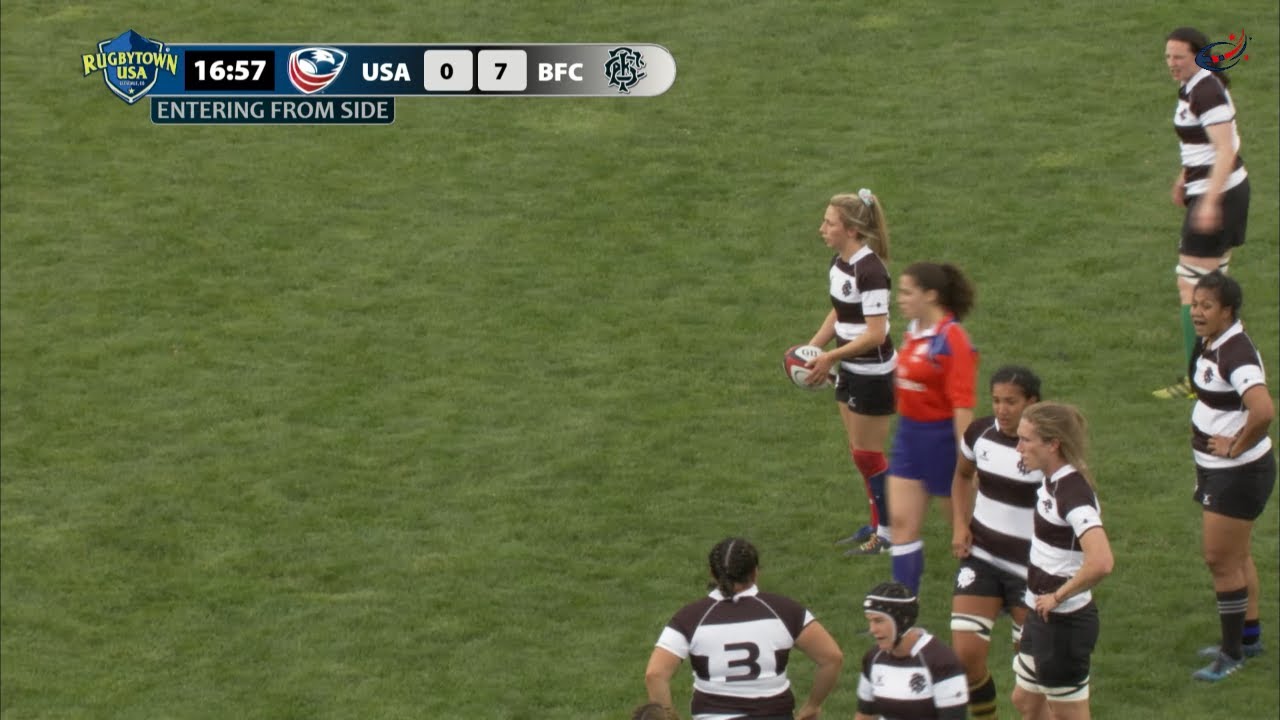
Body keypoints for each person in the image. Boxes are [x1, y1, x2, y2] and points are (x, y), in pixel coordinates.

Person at [1183, 272, 1275, 682]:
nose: (1198, 313)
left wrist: (1235, 445)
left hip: (1236, 474)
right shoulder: (1217, 341)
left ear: (1228, 311)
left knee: (1220, 560)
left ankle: (1231, 654)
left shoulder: (1234, 354)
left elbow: (1263, 410)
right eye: (1196, 304)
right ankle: (1249, 638)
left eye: (1207, 307)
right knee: (1237, 557)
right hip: (1220, 470)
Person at [1153, 27, 1251, 400]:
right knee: (1211, 284)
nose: (1171, 64)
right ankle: (1222, 366)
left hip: (1220, 195)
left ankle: (1199, 377)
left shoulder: (1207, 90)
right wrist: (1184, 178)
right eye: (1167, 57)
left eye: (1178, 56)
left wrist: (1209, 202)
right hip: (1216, 191)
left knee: (1194, 286)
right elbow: (1205, 146)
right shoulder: (1195, 85)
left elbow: (1225, 149)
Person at [644, 537, 844, 720]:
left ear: (712, 573)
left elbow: (655, 674)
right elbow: (832, 658)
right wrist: (812, 706)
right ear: (755, 572)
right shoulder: (784, 610)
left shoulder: (690, 617)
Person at [803, 189, 897, 556]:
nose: (822, 228)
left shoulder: (871, 271)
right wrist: (813, 348)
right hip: (850, 366)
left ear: (852, 230)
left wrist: (830, 358)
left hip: (872, 371)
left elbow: (876, 333)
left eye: (829, 223)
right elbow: (840, 312)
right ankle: (877, 525)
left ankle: (888, 534)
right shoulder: (839, 263)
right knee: (859, 451)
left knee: (869, 455)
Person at [950, 366, 1045, 719]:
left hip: (1031, 570)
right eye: (996, 401)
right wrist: (960, 525)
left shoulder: (1047, 447)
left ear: (1031, 403)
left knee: (1031, 680)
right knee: (965, 657)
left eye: (1011, 402)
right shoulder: (980, 434)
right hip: (983, 558)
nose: (1002, 409)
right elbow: (961, 476)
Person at [1010, 403, 1114, 720]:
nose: (1019, 447)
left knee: (1069, 715)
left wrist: (1057, 596)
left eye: (1026, 440)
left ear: (1053, 444)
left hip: (1063, 623)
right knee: (1026, 701)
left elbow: (1102, 562)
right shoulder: (1053, 479)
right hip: (1040, 613)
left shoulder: (1073, 495)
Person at [888, 262, 978, 594]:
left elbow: (962, 405)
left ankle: (992, 594)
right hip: (909, 438)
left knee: (967, 530)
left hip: (942, 441)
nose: (900, 299)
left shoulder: (953, 339)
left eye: (908, 292)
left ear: (931, 295)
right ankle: (901, 606)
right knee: (901, 524)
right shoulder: (914, 330)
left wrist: (966, 460)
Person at [854, 580, 969, 719]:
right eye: (870, 621)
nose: (872, 630)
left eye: (879, 621)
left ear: (902, 621)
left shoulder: (941, 661)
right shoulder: (873, 659)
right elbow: (864, 715)